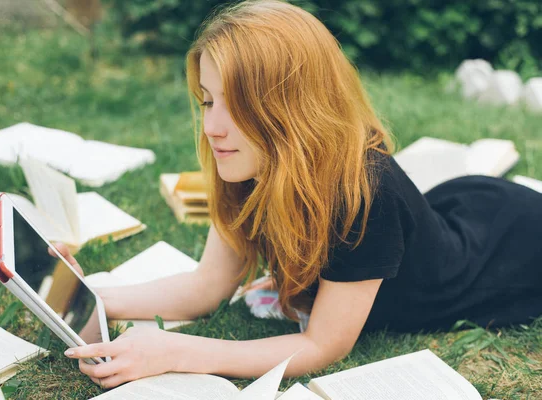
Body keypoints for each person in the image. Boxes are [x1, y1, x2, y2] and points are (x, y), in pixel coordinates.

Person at [61, 0, 542, 388]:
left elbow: (322, 345)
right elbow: (205, 288)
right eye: (207, 101)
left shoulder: (363, 189)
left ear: (291, 108)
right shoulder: (247, 164)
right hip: (460, 208)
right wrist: (93, 296)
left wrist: (176, 352)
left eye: (237, 105)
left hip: (509, 253)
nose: (212, 127)